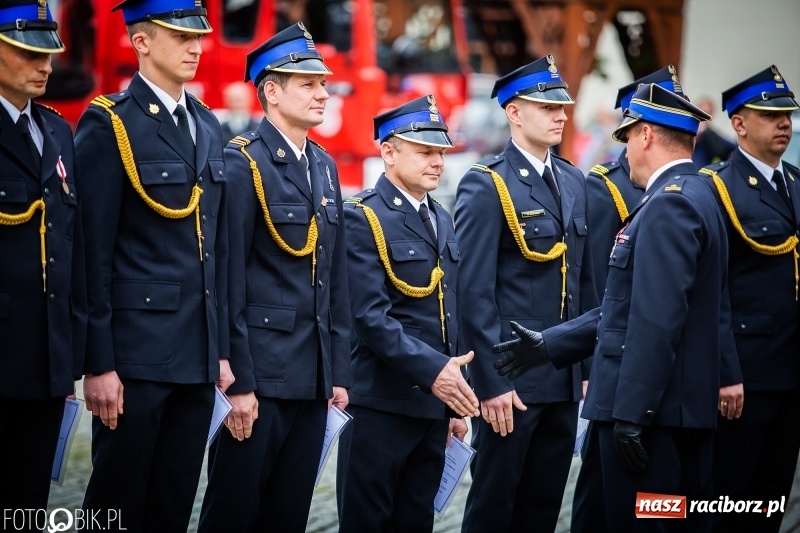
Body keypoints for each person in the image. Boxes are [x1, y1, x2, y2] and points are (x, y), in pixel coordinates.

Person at [494, 83, 723, 531]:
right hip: (667, 412)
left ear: (646, 136)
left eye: (627, 139)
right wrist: (549, 344)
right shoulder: (698, 195)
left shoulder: (668, 206)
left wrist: (631, 415)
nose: (625, 154)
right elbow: (631, 306)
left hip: (647, 420)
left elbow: (654, 323)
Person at [75, 1, 232, 530]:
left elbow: (216, 251)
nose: (195, 47)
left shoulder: (207, 125)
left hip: (195, 359)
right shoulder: (109, 124)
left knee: (172, 504)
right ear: (141, 43)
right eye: (179, 36)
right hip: (136, 359)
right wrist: (98, 364)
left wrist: (222, 354)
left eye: (198, 37)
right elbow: (91, 251)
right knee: (116, 506)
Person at [198, 22, 350, 532]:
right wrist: (238, 383)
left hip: (311, 381)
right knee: (234, 512)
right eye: (308, 83)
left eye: (323, 83)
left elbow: (336, 282)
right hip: (259, 378)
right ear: (271, 90)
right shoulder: (244, 163)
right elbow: (227, 280)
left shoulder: (324, 168)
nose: (322, 93)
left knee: (288, 515)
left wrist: (338, 374)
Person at [455, 54, 598, 532]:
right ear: (514, 112)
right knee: (494, 509)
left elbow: (583, 284)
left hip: (561, 381)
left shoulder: (575, 180)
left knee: (542, 507)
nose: (560, 114)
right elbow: (472, 292)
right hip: (511, 384)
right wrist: (491, 383)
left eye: (563, 107)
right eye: (546, 106)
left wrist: (584, 369)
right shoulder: (486, 183)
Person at [335, 96, 480, 532]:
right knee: (368, 522)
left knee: (416, 521)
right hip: (381, 404)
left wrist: (454, 401)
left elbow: (449, 313)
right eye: (425, 151)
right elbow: (370, 317)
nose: (437, 162)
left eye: (440, 152)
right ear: (389, 151)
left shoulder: (441, 216)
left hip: (433, 408)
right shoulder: (363, 216)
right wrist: (439, 374)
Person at [701, 65, 800, 532]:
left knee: (774, 495)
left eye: (787, 115)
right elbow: (713, 289)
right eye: (769, 115)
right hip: (746, 375)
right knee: (731, 499)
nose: (784, 123)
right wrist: (725, 372)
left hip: (791, 369)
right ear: (738, 124)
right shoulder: (720, 187)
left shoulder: (797, 184)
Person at [0, 0, 86, 523]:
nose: (45, 65)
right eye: (29, 52)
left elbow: (69, 243)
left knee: (29, 502)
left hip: (48, 360)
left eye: (48, 52)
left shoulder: (56, 133)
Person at [692, 95, 736, 167]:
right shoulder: (687, 130)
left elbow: (729, 148)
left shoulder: (711, 135)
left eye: (707, 113)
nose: (704, 116)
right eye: (701, 111)